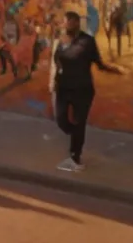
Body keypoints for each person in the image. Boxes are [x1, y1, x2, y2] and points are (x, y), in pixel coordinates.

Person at [50, 10, 123, 172]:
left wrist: (112, 70)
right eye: (64, 21)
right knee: (61, 119)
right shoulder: (61, 41)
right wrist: (55, 81)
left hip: (82, 89)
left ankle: (75, 157)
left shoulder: (87, 41)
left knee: (78, 122)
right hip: (63, 87)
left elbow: (98, 63)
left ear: (76, 23)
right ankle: (75, 134)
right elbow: (57, 60)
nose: (65, 24)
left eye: (68, 21)